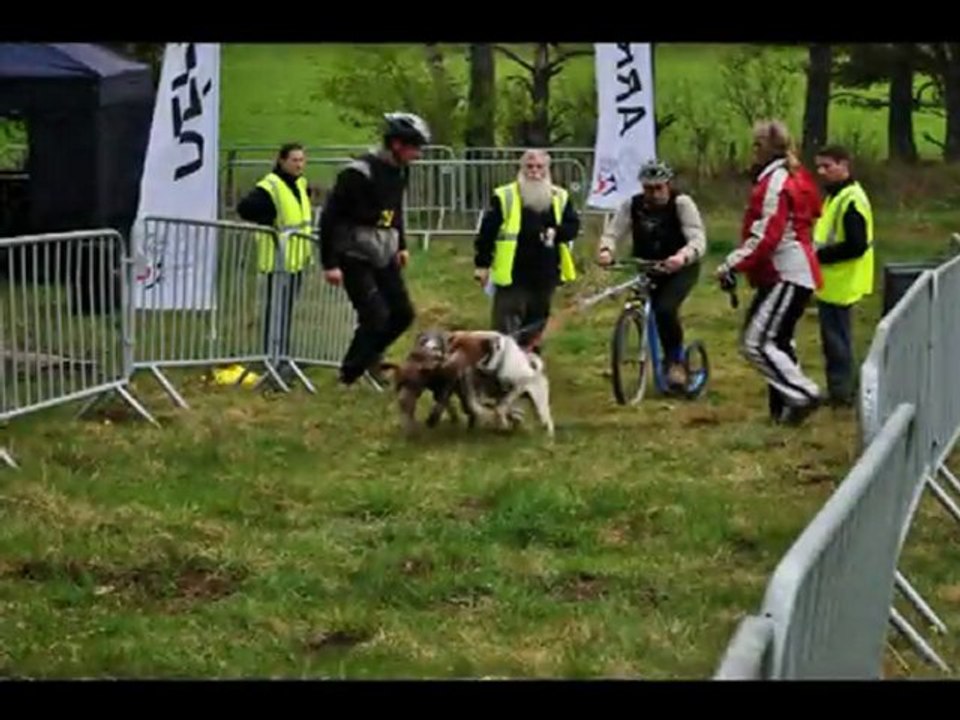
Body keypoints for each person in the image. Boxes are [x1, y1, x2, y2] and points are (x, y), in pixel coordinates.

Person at [715, 119, 824, 425]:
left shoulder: (775, 181)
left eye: (756, 144)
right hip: (792, 271)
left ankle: (803, 394)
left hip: (785, 272)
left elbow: (766, 236)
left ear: (766, 148)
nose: (752, 151)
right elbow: (814, 209)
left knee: (756, 342)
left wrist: (731, 263)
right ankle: (784, 410)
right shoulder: (794, 175)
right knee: (779, 341)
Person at [319, 112, 429, 388]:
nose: (418, 154)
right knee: (375, 315)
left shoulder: (401, 170)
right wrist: (329, 263)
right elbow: (330, 217)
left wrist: (401, 244)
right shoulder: (358, 174)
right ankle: (349, 374)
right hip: (353, 252)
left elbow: (396, 210)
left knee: (403, 314)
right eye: (414, 147)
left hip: (384, 250)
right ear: (396, 144)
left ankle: (370, 358)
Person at [597, 159, 707, 389]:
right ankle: (632, 355)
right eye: (648, 188)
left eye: (659, 187)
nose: (654, 193)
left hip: (680, 268)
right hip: (647, 266)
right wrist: (606, 250)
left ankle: (675, 361)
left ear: (668, 184)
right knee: (640, 306)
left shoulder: (682, 203)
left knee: (665, 310)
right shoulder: (632, 205)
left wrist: (681, 257)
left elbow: (698, 239)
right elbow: (613, 232)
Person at [473, 149, 580, 353]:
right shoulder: (505, 196)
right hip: (512, 274)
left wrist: (556, 232)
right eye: (529, 167)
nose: (534, 172)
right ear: (521, 169)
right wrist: (482, 264)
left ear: (547, 170)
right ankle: (502, 372)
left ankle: (529, 370)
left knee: (535, 326)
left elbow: (573, 226)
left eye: (540, 167)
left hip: (545, 273)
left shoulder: (560, 196)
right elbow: (487, 232)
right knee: (506, 328)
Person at [235, 142, 314, 384]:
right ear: (281, 161)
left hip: (296, 259)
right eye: (294, 160)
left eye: (302, 160)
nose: (299, 165)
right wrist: (266, 219)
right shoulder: (270, 186)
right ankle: (273, 359)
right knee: (276, 311)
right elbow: (245, 208)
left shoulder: (300, 184)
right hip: (278, 261)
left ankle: (282, 354)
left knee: (286, 311)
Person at [812, 144, 874, 407]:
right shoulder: (836, 196)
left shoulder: (851, 200)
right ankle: (842, 389)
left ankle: (842, 394)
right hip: (832, 281)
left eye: (827, 166)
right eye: (819, 166)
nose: (821, 171)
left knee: (837, 341)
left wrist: (818, 257)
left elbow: (856, 245)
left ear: (844, 166)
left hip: (841, 281)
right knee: (835, 339)